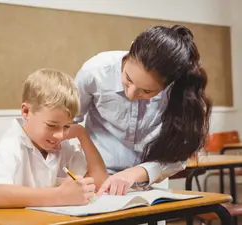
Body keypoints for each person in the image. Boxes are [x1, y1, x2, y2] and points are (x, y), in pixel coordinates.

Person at [74, 25, 212, 196]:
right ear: (130, 51)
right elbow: (67, 122)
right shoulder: (95, 72)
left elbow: (178, 155)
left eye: (147, 91)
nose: (131, 94)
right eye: (128, 79)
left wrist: (137, 173)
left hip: (149, 184)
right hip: (97, 179)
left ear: (169, 84)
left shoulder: (180, 91)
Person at [0, 68, 108, 208]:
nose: (60, 135)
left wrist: (83, 135)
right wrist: (60, 196)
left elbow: (100, 183)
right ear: (26, 111)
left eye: (67, 126)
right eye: (52, 125)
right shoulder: (12, 144)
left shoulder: (61, 145)